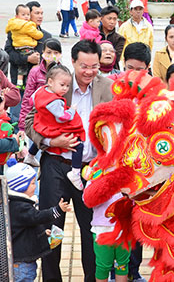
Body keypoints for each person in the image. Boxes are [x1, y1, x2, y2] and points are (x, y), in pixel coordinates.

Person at [25, 40, 113, 281]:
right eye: (84, 66)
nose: (89, 72)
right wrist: (52, 143)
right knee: (52, 227)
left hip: (90, 170)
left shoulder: (107, 87)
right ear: (73, 62)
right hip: (56, 165)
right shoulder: (58, 83)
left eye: (94, 66)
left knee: (90, 229)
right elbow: (29, 121)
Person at [7, 161, 71, 282]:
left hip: (22, 261)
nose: (35, 186)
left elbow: (27, 226)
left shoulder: (16, 203)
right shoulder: (21, 207)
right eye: (32, 184)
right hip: (22, 263)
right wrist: (57, 210)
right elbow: (37, 217)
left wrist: (42, 233)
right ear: (21, 185)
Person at [31, 64, 88, 190]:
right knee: (78, 145)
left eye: (67, 86)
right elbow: (62, 117)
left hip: (43, 124)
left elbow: (32, 99)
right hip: (54, 134)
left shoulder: (42, 91)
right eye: (62, 85)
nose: (65, 89)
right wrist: (72, 111)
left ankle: (30, 155)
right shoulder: (55, 100)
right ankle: (75, 172)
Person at [19, 38, 62, 166]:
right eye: (48, 52)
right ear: (42, 53)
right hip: (36, 120)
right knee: (33, 157)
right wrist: (22, 126)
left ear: (60, 54)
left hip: (55, 123)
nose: (52, 56)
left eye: (55, 53)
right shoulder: (35, 72)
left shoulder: (64, 72)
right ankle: (34, 186)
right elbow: (27, 99)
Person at [5, 1, 52, 88]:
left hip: (39, 83)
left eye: (42, 13)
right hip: (20, 82)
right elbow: (8, 54)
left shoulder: (46, 36)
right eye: (37, 13)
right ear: (28, 15)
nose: (40, 16)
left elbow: (51, 59)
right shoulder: (14, 33)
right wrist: (27, 58)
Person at [89, 189, 130, 282]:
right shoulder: (95, 175)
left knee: (122, 265)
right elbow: (87, 199)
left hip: (124, 228)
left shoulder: (128, 176)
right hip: (102, 230)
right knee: (103, 266)